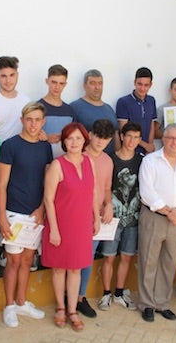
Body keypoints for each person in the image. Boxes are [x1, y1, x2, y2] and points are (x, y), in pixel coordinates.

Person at [138, 123, 176, 323]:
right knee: (149, 260)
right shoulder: (150, 161)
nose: (174, 142)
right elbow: (147, 191)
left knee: (169, 262)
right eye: (170, 138)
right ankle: (147, 303)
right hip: (154, 216)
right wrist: (167, 211)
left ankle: (162, 303)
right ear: (163, 139)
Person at [0, 102, 52, 328]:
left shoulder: (45, 147)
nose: (33, 124)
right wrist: (1, 215)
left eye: (37, 120)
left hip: (35, 214)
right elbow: (1, 185)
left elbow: (47, 182)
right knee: (13, 261)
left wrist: (41, 209)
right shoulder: (10, 145)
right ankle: (9, 305)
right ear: (22, 120)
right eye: (29, 119)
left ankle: (21, 302)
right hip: (12, 213)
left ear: (43, 122)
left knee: (28, 260)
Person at [42, 122, 100, 332]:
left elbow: (93, 192)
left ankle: (73, 309)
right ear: (64, 142)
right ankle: (60, 307)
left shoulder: (89, 162)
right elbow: (48, 199)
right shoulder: (57, 165)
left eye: (78, 138)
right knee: (59, 268)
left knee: (76, 269)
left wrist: (96, 217)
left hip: (82, 224)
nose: (74, 142)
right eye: (69, 138)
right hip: (61, 224)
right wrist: (54, 230)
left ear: (85, 140)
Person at [0, 56, 31, 278]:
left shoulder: (25, 101)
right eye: (3, 75)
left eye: (12, 75)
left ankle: (6, 250)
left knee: (10, 205)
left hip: (19, 162)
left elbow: (33, 125)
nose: (8, 80)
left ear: (17, 75)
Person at [98, 121, 144, 312]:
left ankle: (119, 292)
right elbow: (104, 187)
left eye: (136, 137)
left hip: (133, 219)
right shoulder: (110, 160)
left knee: (126, 257)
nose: (132, 140)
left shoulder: (142, 161)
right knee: (108, 257)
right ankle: (106, 293)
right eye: (129, 136)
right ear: (121, 137)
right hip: (112, 219)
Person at [76, 119, 115, 318]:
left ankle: (80, 297)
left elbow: (107, 188)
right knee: (75, 259)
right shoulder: (78, 157)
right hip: (77, 216)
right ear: (90, 135)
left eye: (106, 138)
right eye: (98, 136)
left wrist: (108, 204)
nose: (101, 142)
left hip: (97, 219)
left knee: (88, 259)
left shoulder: (108, 161)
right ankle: (70, 298)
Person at [70, 69, 119, 154]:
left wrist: (118, 159)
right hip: (86, 160)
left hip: (109, 161)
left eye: (100, 83)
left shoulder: (109, 108)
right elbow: (70, 137)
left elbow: (116, 135)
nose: (97, 87)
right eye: (93, 83)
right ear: (85, 86)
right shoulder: (75, 107)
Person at [116, 67, 157, 155]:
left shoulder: (151, 100)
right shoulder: (123, 102)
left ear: (151, 85)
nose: (142, 88)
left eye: (146, 85)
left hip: (147, 152)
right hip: (130, 152)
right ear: (134, 82)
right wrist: (145, 145)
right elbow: (123, 129)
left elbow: (152, 125)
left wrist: (149, 147)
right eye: (139, 84)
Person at [38, 64, 76, 158]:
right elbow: (28, 135)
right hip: (41, 159)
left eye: (61, 83)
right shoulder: (37, 108)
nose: (57, 87)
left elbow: (74, 136)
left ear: (65, 84)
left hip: (64, 162)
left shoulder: (69, 111)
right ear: (47, 81)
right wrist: (46, 138)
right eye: (54, 82)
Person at [154, 77, 176, 150]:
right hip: (169, 150)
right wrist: (169, 134)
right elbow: (154, 132)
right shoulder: (161, 109)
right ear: (170, 90)